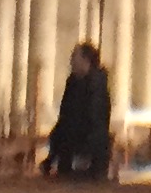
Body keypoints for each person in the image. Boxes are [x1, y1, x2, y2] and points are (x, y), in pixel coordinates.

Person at [44, 42, 112, 180]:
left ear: (86, 60)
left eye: (75, 57)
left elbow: (96, 121)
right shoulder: (73, 82)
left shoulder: (96, 85)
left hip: (89, 145)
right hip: (71, 141)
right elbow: (65, 115)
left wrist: (85, 154)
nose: (71, 61)